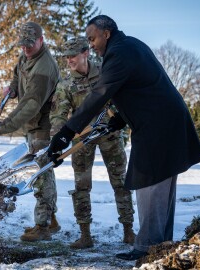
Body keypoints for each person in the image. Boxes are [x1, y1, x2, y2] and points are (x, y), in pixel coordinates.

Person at [48, 15, 200, 260]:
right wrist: (120, 117)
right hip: (160, 120)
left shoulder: (119, 53)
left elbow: (100, 93)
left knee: (149, 181)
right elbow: (139, 87)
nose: (91, 45)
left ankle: (147, 248)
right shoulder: (130, 45)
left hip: (157, 125)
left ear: (106, 33)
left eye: (92, 38)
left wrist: (67, 131)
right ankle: (159, 245)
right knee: (161, 187)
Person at [49, 36, 135, 249]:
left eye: (73, 56)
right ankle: (85, 234)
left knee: (121, 183)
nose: (69, 60)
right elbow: (58, 115)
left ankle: (128, 230)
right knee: (81, 186)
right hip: (82, 138)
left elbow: (122, 98)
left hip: (110, 134)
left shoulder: (106, 73)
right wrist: (57, 141)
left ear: (85, 53)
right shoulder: (66, 84)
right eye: (66, 57)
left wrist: (121, 118)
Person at [0, 21, 61, 242]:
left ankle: (43, 227)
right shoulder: (26, 57)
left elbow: (30, 105)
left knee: (40, 173)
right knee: (42, 171)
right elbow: (18, 76)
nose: (26, 49)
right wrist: (13, 87)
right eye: (23, 45)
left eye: (30, 44)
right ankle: (51, 220)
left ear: (41, 40)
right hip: (32, 125)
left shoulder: (45, 68)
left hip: (43, 127)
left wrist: (3, 126)